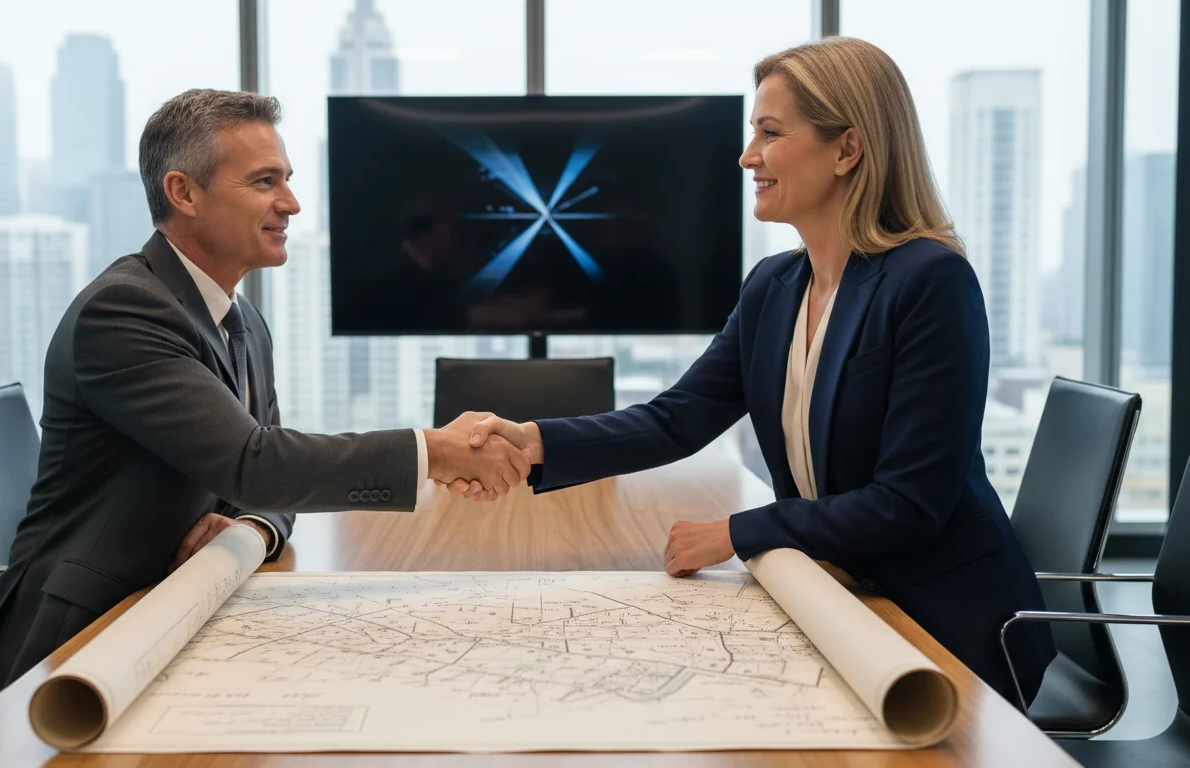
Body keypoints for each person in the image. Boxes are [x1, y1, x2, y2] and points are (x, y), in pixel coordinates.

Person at [446, 38, 1056, 705]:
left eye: (770, 133)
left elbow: (908, 505)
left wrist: (736, 532)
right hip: (838, 600)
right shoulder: (774, 286)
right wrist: (534, 442)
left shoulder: (930, 281)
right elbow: (677, 419)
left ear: (847, 150)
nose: (747, 157)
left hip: (946, 629)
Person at [0, 89, 529, 709]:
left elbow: (267, 489)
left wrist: (247, 535)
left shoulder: (242, 320)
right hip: (79, 646)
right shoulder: (124, 311)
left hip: (181, 609)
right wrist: (435, 453)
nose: (291, 203)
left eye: (286, 180)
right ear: (183, 192)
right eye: (264, 182)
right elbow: (257, 464)